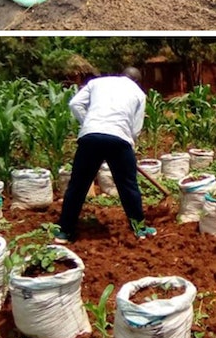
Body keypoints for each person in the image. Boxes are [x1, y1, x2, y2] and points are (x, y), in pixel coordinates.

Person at [58, 68, 155, 242]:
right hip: (120, 139)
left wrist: (88, 123)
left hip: (90, 136)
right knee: (128, 186)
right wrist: (128, 144)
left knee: (78, 185)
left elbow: (74, 104)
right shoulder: (138, 93)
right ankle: (139, 229)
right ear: (137, 81)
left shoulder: (96, 82)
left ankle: (65, 231)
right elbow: (136, 128)